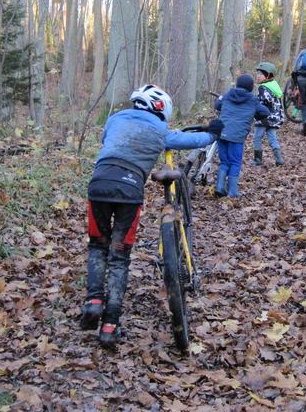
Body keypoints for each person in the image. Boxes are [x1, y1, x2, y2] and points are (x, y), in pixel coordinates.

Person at [80, 84, 223, 348]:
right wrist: (213, 134)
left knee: (97, 247)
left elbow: (106, 141)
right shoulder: (159, 130)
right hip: (129, 191)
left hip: (98, 184)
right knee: (119, 258)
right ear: (161, 109)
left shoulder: (114, 119)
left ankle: (93, 303)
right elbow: (188, 140)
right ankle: (109, 326)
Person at [214, 73, 270, 197]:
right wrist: (257, 114)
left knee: (224, 161)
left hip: (221, 132)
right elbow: (265, 112)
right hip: (237, 137)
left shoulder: (228, 95)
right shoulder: (253, 100)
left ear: (238, 84)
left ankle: (219, 186)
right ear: (250, 87)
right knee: (235, 162)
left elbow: (217, 105)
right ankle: (232, 191)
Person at [252, 62, 284, 166]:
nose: (257, 76)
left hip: (264, 117)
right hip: (275, 117)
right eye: (257, 74)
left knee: (257, 137)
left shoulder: (263, 88)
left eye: (260, 74)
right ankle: (279, 159)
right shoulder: (275, 85)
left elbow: (265, 101)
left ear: (268, 75)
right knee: (272, 138)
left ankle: (257, 159)